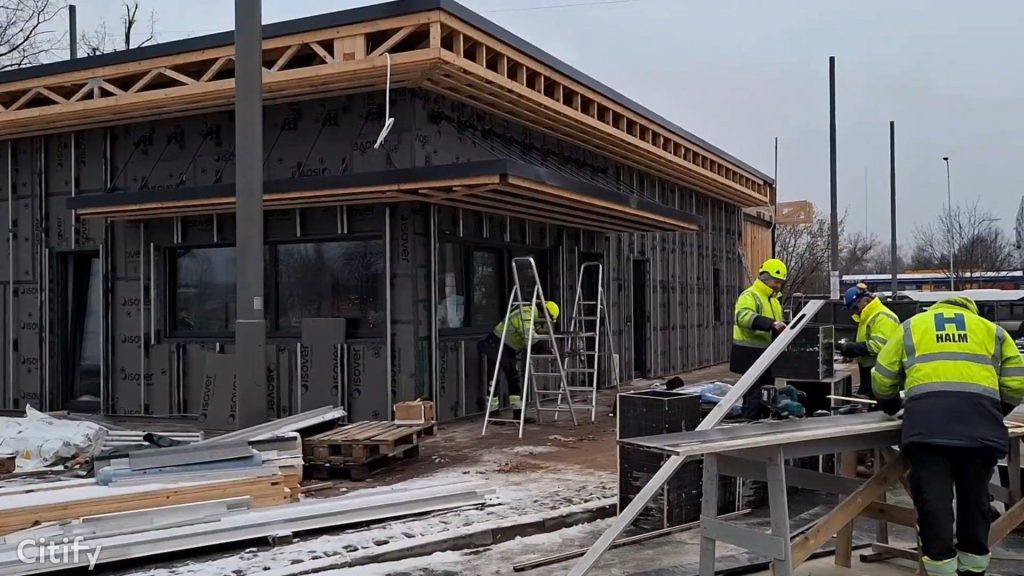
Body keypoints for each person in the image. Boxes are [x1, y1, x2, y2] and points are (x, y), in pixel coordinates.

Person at [872, 296, 1024, 576]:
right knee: (975, 499)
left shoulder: (911, 327)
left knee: (933, 501)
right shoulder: (992, 331)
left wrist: (892, 405)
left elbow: (882, 377)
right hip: (980, 429)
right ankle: (974, 568)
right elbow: (1016, 382)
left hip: (927, 429)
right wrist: (995, 410)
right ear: (970, 311)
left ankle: (941, 568)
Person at [478, 300, 560, 415]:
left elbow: (534, 334)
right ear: (544, 312)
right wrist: (545, 346)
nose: (546, 322)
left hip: (508, 349)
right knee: (494, 379)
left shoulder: (533, 317)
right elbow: (530, 337)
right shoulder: (526, 314)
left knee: (514, 379)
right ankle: (492, 412)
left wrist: (544, 341)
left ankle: (518, 412)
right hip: (496, 345)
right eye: (548, 319)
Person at [731, 258, 787, 420]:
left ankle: (762, 422)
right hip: (749, 353)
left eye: (780, 283)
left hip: (767, 353)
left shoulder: (774, 300)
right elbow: (743, 317)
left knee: (767, 393)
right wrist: (770, 324)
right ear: (766, 278)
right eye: (776, 282)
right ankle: (750, 424)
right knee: (754, 395)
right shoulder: (750, 295)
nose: (778, 286)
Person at [837, 283, 900, 399]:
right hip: (870, 371)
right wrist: (851, 351)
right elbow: (867, 343)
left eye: (855, 308)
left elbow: (879, 346)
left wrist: (852, 348)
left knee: (878, 409)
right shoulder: (867, 317)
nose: (855, 312)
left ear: (865, 300)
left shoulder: (882, 316)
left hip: (881, 372)